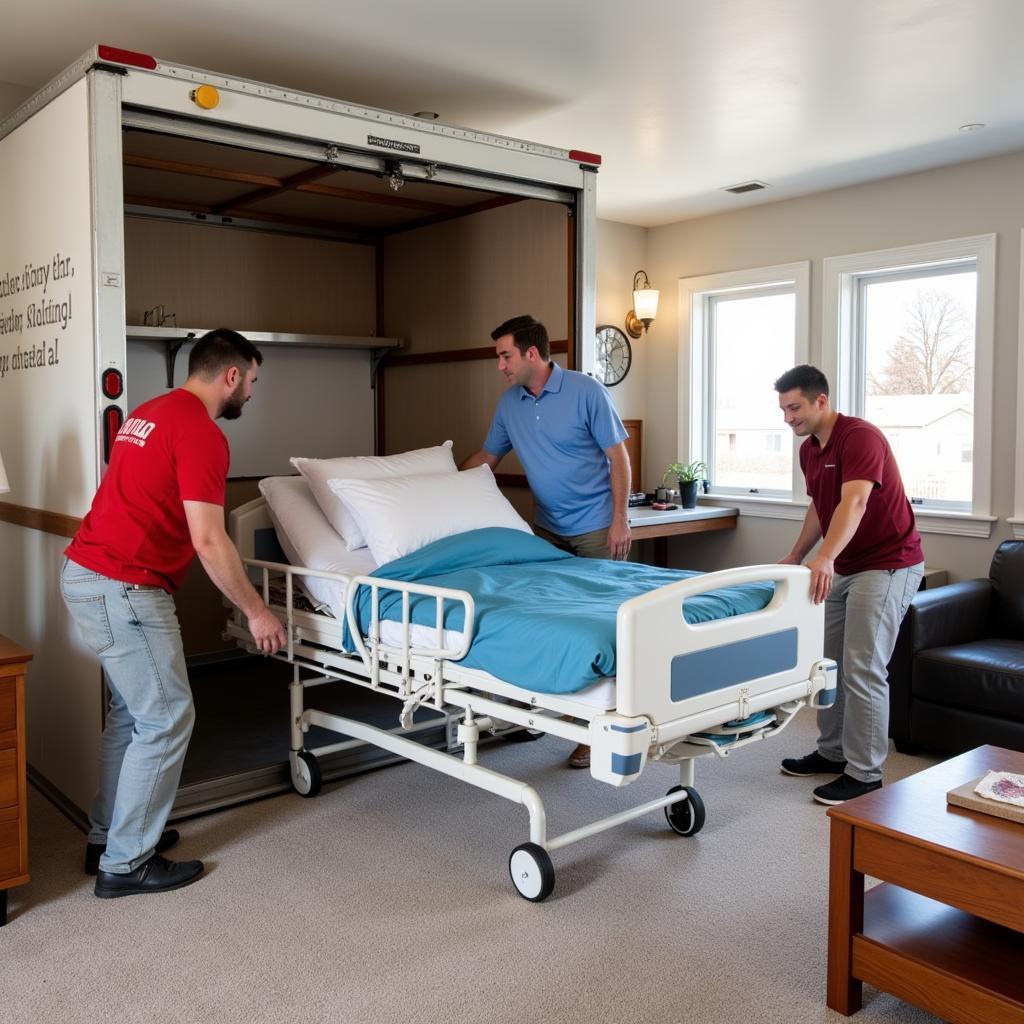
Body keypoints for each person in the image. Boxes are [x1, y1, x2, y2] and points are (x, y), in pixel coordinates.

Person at [61, 328, 286, 898]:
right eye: (252, 381)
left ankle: (108, 837)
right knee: (166, 717)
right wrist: (256, 610)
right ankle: (126, 863)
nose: (251, 394)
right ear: (230, 375)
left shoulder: (149, 412)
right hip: (123, 588)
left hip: (89, 576)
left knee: (134, 716)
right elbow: (209, 540)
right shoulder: (201, 433)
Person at [462, 315, 632, 770]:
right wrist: (438, 482)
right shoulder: (509, 403)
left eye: (505, 355)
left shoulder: (586, 391)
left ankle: (599, 731)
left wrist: (620, 520)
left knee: (603, 627)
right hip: (547, 530)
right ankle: (557, 714)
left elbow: (619, 458)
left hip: (596, 525)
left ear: (531, 354)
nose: (500, 365)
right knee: (559, 629)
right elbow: (487, 459)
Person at [774, 365, 924, 805]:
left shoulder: (861, 437)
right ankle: (833, 752)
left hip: (888, 564)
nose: (788, 419)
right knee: (830, 663)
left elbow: (854, 501)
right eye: (783, 410)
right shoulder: (810, 451)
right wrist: (798, 554)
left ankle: (865, 774)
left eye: (794, 408)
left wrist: (826, 557)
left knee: (863, 666)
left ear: (821, 401)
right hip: (844, 564)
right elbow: (821, 509)